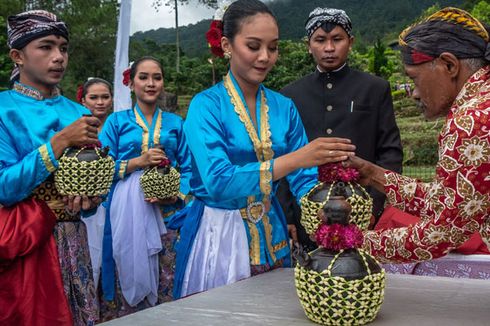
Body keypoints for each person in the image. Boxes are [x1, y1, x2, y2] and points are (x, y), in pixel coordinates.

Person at [174, 0, 356, 299]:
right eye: (253, 46)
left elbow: (304, 178)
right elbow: (219, 182)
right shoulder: (206, 106)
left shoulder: (283, 107)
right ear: (227, 45)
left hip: (273, 230)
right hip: (220, 232)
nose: (265, 57)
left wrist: (327, 208)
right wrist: (295, 159)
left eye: (272, 47)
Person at [346, 7, 490, 263]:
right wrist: (374, 174)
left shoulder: (471, 119)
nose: (413, 93)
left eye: (414, 78)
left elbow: (443, 231)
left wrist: (350, 239)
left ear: (449, 65)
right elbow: (455, 203)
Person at [0, 10, 100, 325]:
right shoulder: (4, 110)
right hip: (26, 247)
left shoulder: (77, 110)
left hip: (74, 241)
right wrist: (58, 143)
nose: (58, 57)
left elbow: (91, 180)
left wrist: (91, 199)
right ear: (17, 55)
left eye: (63, 47)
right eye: (46, 47)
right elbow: (4, 187)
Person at [277, 7, 403, 250]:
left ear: (351, 42)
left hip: (363, 211)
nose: (329, 48)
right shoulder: (290, 96)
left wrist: (374, 207)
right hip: (308, 213)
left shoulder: (374, 88)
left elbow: (390, 152)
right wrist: (289, 215)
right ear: (308, 44)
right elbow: (283, 156)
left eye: (337, 39)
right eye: (320, 40)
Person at [98, 56, 192, 320]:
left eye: (157, 77)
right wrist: (136, 162)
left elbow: (190, 168)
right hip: (125, 216)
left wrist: (176, 194)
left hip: (170, 215)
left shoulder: (176, 123)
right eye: (143, 77)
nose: (151, 83)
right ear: (131, 83)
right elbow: (101, 167)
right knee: (126, 272)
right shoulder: (116, 123)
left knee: (168, 278)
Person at [78, 77, 114, 288]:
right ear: (83, 101)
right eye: (94, 97)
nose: (100, 102)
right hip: (86, 204)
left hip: (116, 201)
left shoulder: (119, 126)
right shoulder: (76, 129)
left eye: (105, 97)